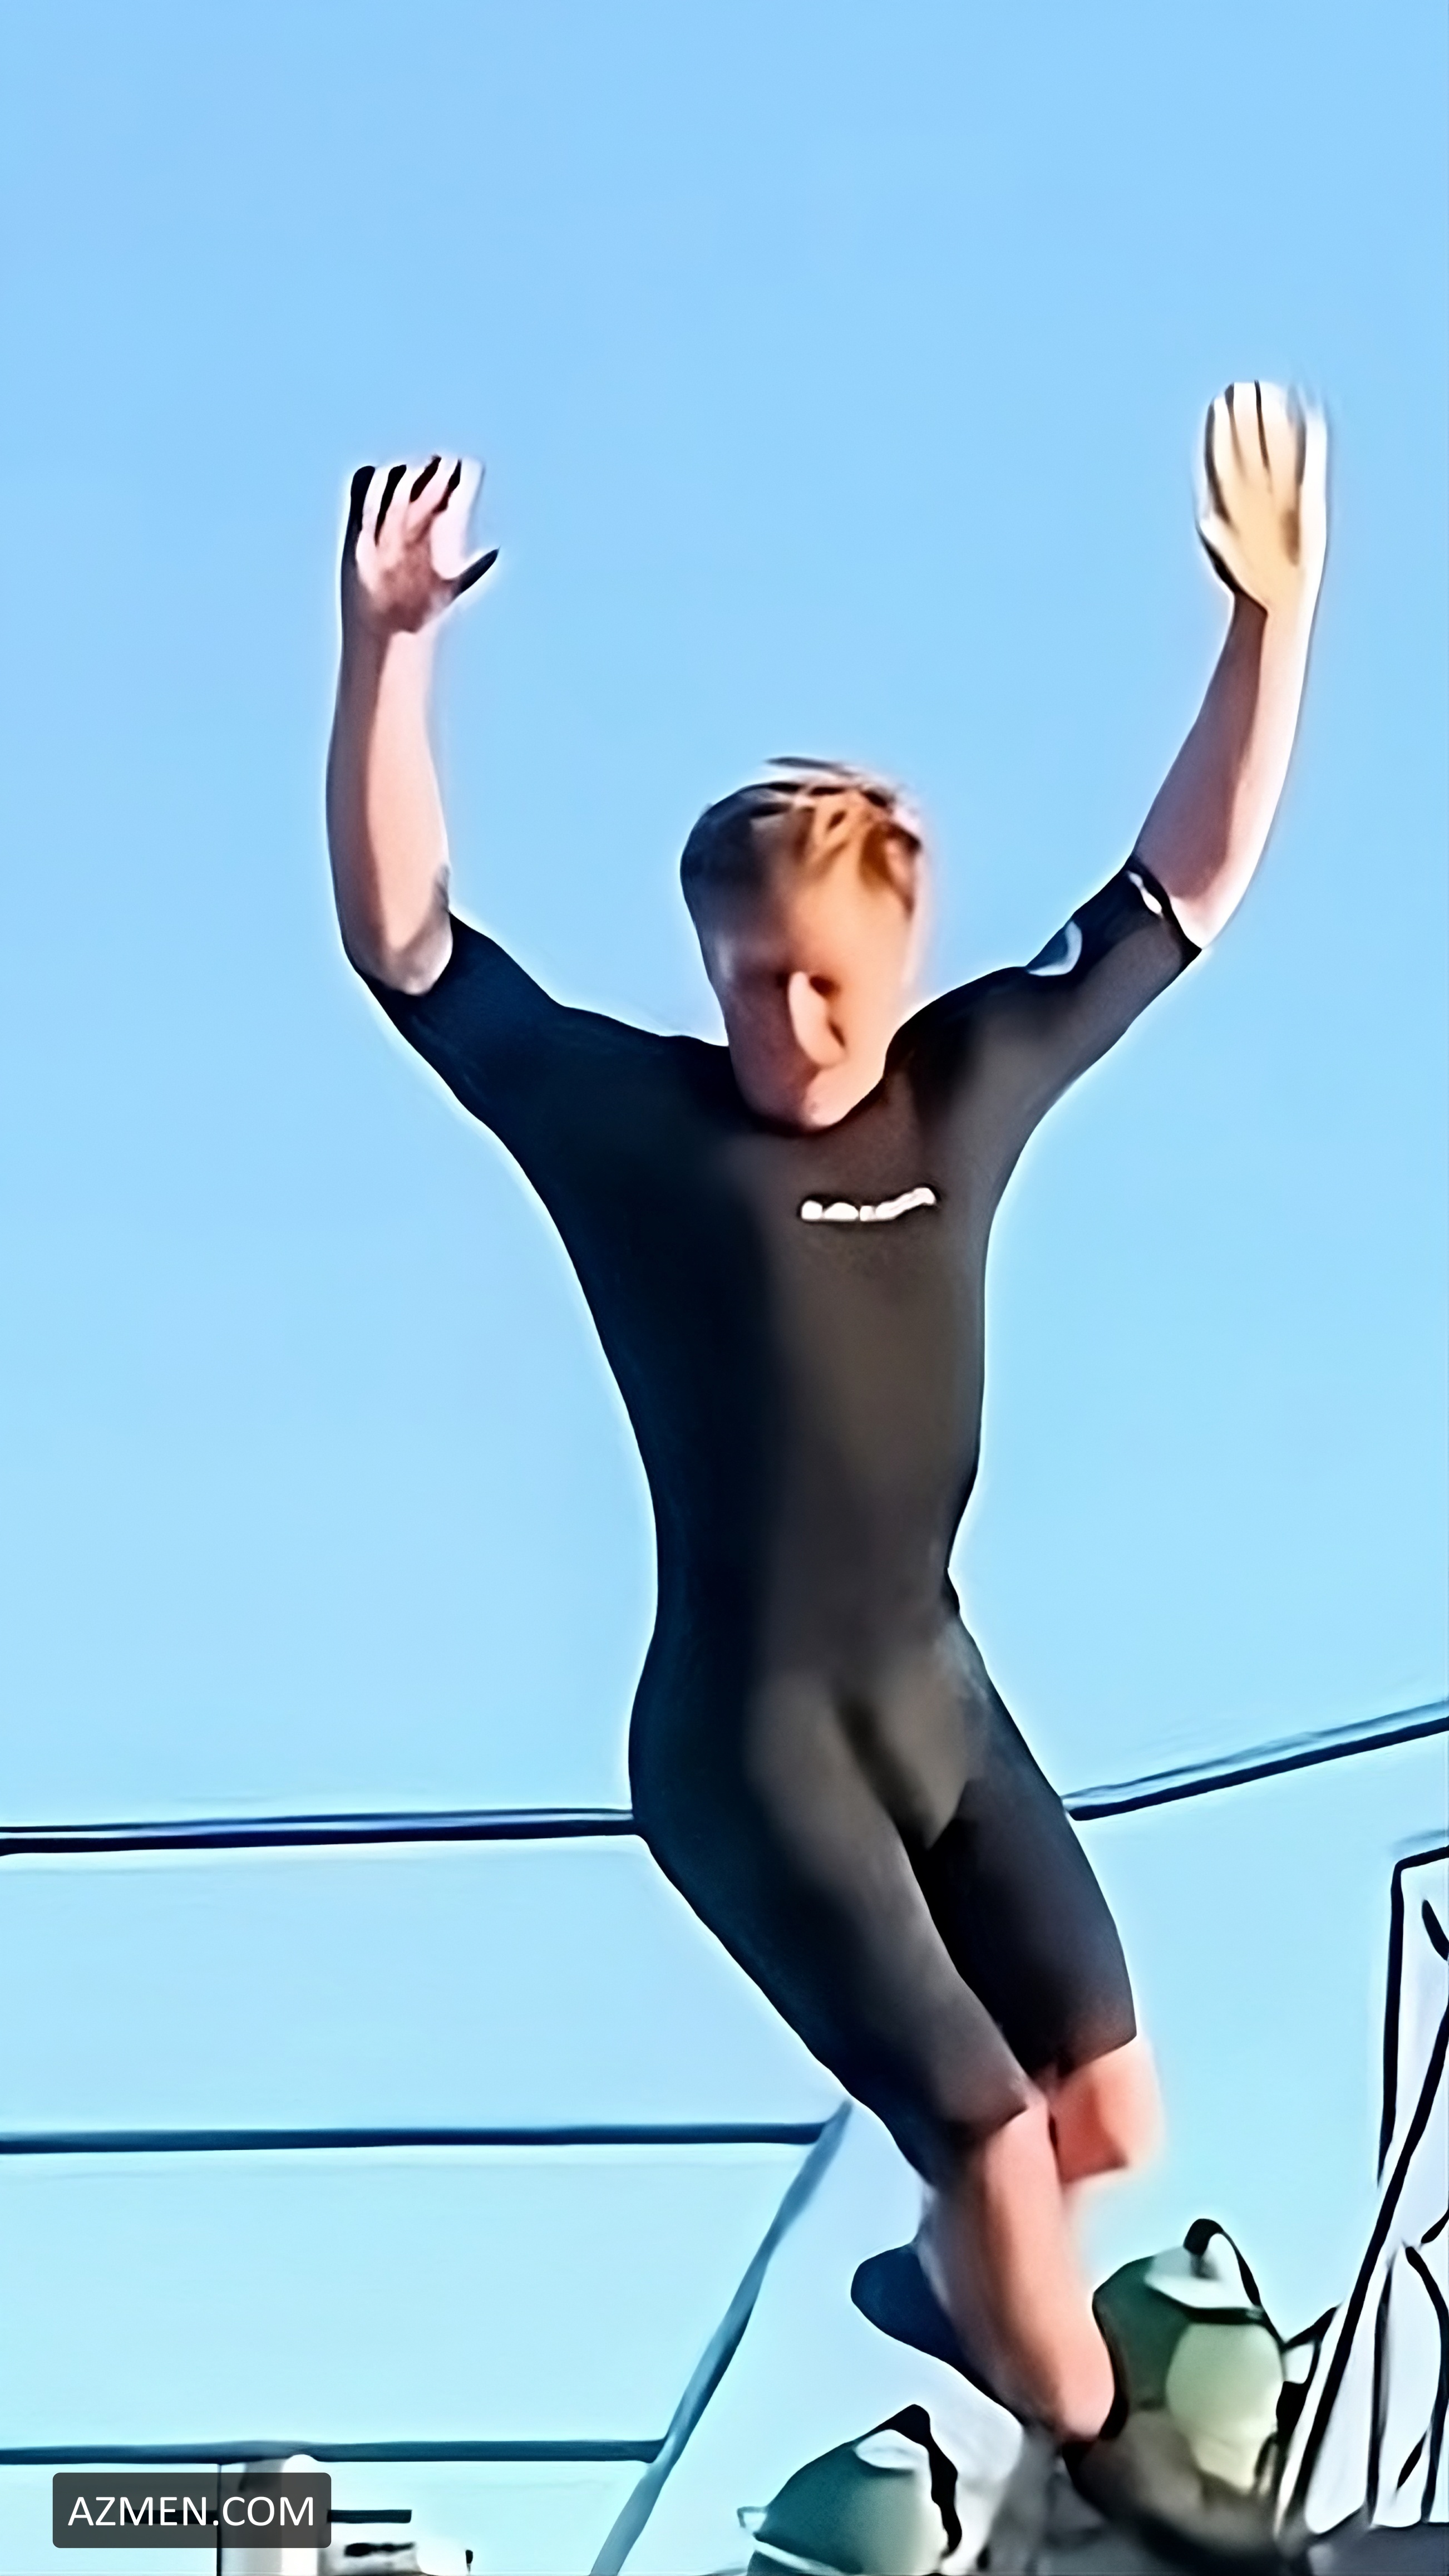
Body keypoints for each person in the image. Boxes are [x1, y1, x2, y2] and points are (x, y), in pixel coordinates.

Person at [325, 388, 1327, 2454]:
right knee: (988, 2140)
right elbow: (411, 950)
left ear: (903, 959)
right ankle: (1112, 2472)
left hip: (930, 1692)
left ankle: (961, 2296)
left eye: (827, 986)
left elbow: (1184, 882)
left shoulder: (965, 1088)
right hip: (741, 1732)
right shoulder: (645, 1133)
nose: (786, 1025)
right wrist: (385, 656)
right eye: (750, 979)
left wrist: (1268, 626)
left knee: (1103, 2121)